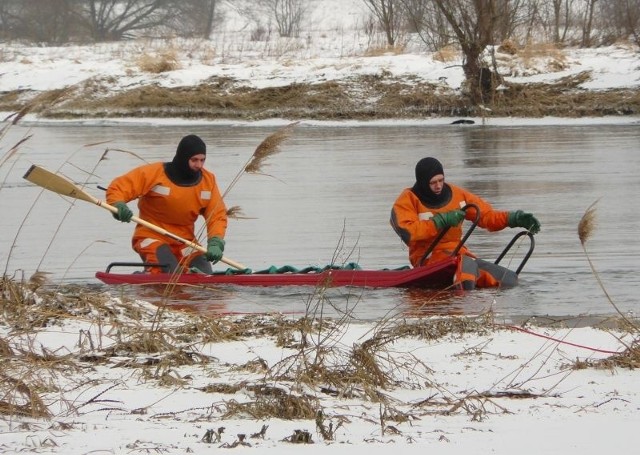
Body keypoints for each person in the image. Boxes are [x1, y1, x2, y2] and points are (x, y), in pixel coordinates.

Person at [390, 157, 540, 290]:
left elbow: (486, 216)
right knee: (466, 264)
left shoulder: (458, 195)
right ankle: (464, 301)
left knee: (508, 279)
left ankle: (471, 291)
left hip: (458, 255)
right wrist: (439, 221)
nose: (438, 186)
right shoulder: (407, 199)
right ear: (423, 182)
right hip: (427, 259)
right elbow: (407, 232)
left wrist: (512, 219)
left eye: (441, 180)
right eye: (433, 183)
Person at [106, 134, 227, 274]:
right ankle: (146, 279)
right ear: (183, 157)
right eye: (194, 160)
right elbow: (118, 187)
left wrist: (216, 241)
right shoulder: (154, 173)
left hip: (184, 241)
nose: (199, 165)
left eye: (202, 160)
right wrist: (118, 205)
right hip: (151, 236)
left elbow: (217, 215)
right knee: (168, 271)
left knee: (204, 274)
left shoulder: (208, 180)